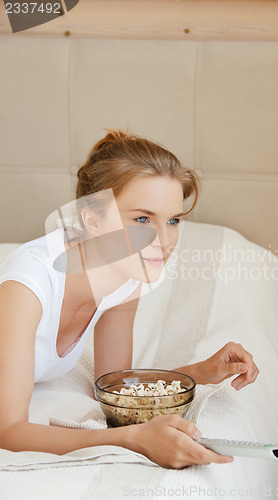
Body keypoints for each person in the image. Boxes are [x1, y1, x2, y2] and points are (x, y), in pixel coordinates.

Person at [0, 129, 259, 469]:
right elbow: (9, 431)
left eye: (173, 221)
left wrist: (198, 373)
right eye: (141, 219)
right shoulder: (26, 285)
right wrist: (131, 439)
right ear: (91, 219)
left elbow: (115, 389)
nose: (164, 241)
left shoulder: (124, 276)